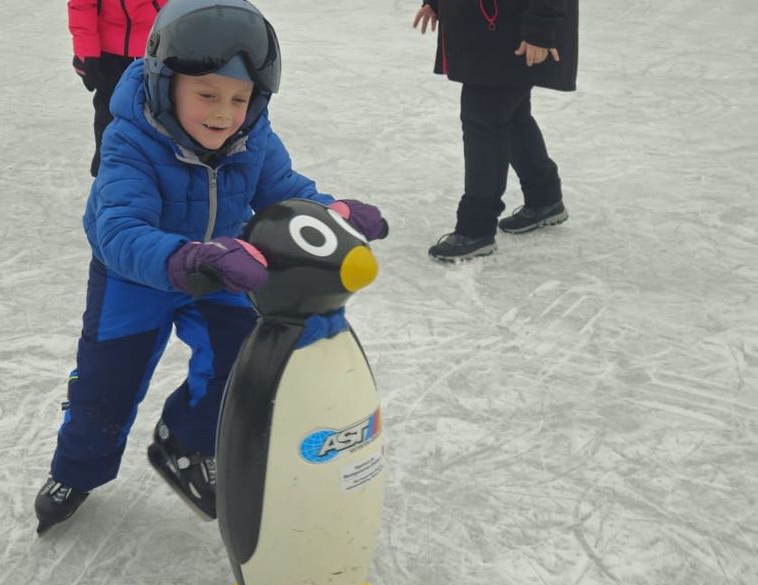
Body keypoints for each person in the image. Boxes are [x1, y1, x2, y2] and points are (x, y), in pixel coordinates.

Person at [35, 0, 387, 534]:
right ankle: (76, 469)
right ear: (163, 82)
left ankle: (189, 441)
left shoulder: (252, 137)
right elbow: (119, 230)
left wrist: (332, 214)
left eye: (239, 98)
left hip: (223, 267)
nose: (224, 114)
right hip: (136, 277)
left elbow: (283, 191)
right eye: (206, 94)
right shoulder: (129, 139)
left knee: (241, 362)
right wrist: (183, 258)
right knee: (105, 387)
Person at [413, 0, 578, 262]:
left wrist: (540, 29)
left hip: (511, 29)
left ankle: (475, 228)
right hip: (490, 28)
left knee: (483, 119)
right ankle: (544, 197)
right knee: (511, 116)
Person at [68, 0, 170, 176]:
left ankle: (163, 175)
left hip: (159, 45)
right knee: (109, 114)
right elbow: (82, 4)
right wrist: (87, 52)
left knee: (163, 115)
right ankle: (108, 171)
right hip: (109, 53)